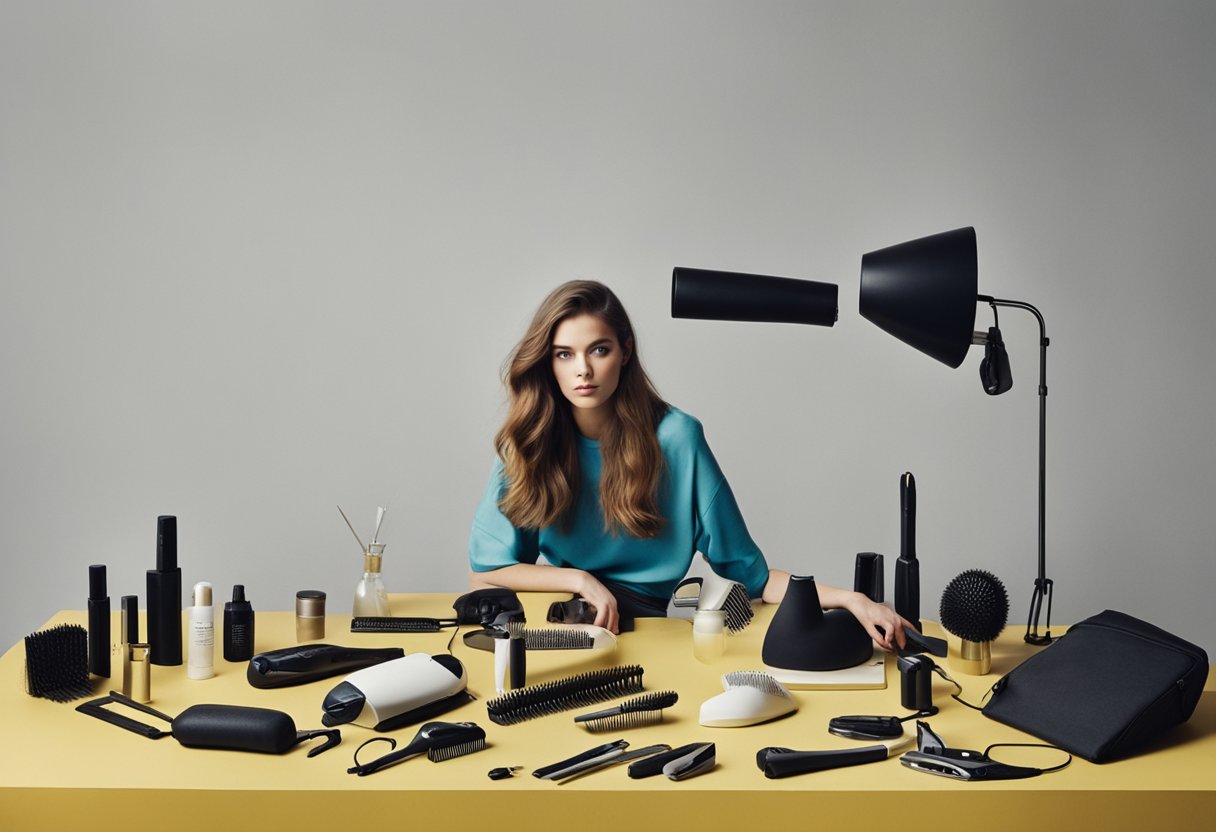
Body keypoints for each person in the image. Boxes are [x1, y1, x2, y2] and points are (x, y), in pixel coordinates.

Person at [467, 280, 907, 648]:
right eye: (564, 354)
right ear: (549, 362)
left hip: (651, 637)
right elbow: (485, 573)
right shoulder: (528, 442)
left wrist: (850, 599)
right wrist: (579, 581)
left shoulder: (677, 439)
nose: (583, 369)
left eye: (598, 350)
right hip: (558, 630)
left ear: (624, 350)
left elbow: (751, 576)